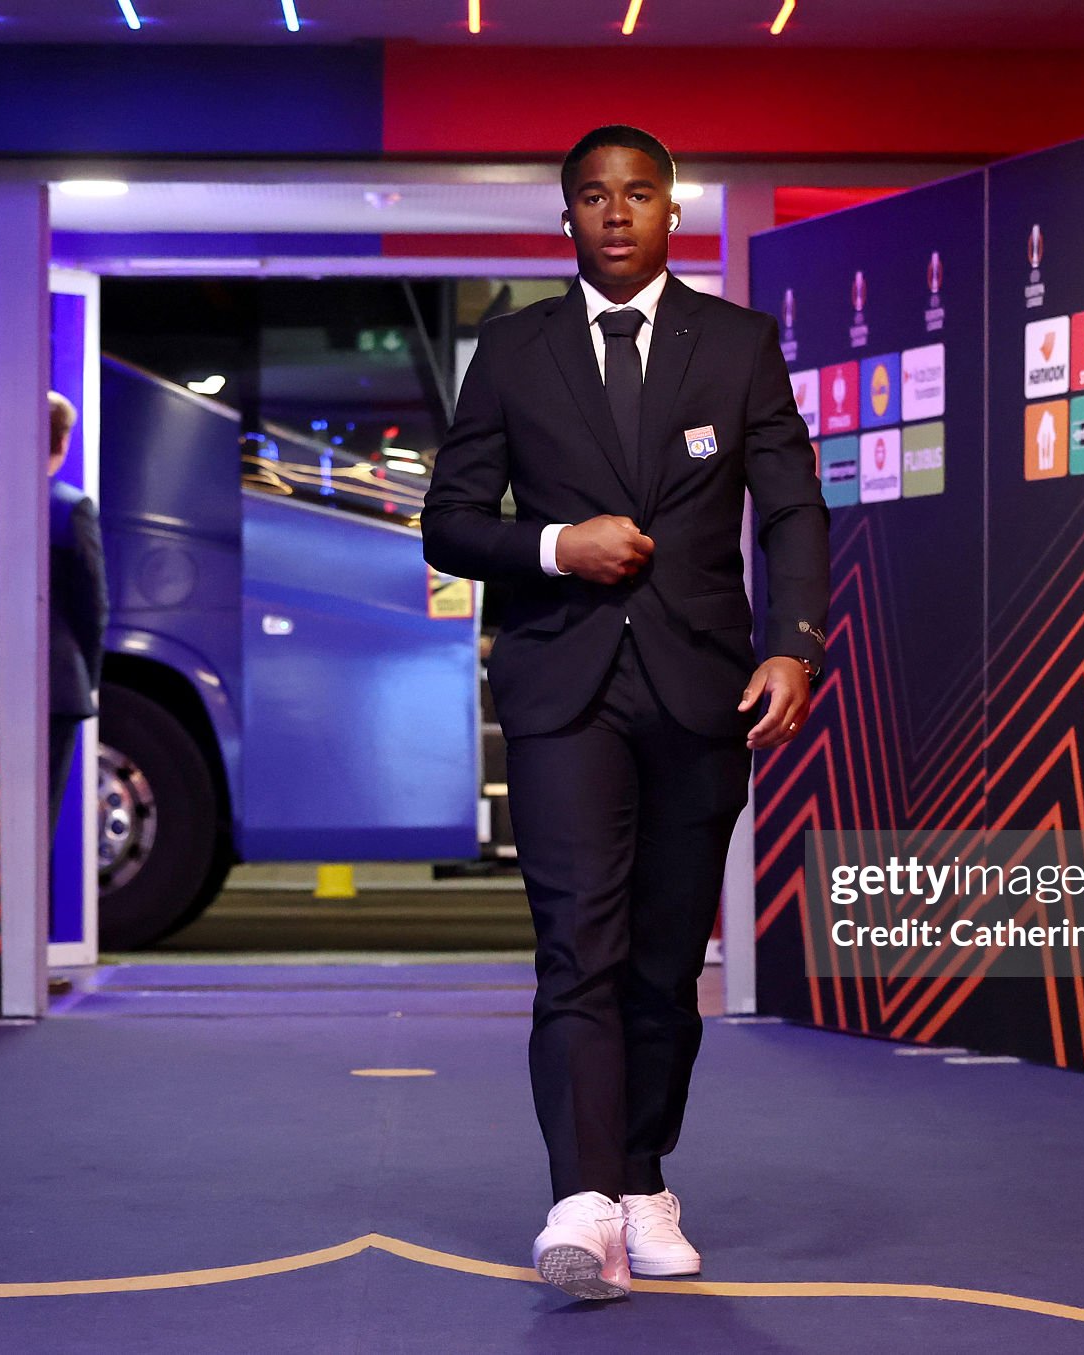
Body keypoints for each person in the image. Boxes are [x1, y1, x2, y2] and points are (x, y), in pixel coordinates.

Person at [422, 125, 829, 1302]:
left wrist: (793, 645)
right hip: (562, 687)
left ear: (670, 212)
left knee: (663, 957)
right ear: (566, 219)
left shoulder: (738, 344)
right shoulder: (513, 348)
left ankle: (641, 1175)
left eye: (638, 193)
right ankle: (579, 1196)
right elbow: (450, 520)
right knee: (576, 943)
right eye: (593, 196)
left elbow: (791, 510)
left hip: (702, 689)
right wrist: (559, 544)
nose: (615, 211)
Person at [47, 391, 109, 843]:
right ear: (63, 441)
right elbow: (93, 604)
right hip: (57, 684)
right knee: (41, 815)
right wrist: (90, 675)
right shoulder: (71, 507)